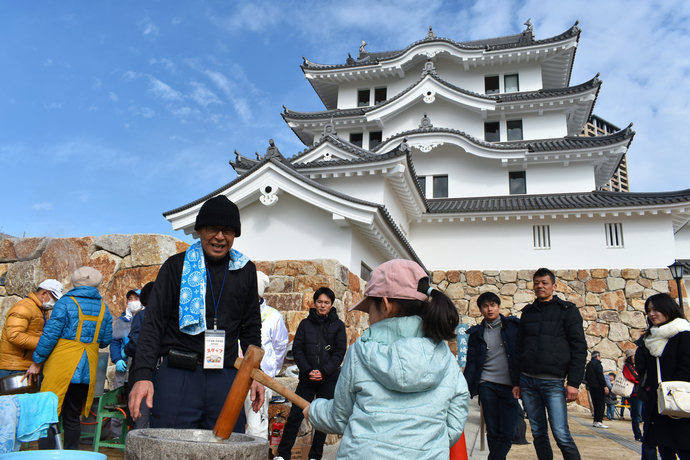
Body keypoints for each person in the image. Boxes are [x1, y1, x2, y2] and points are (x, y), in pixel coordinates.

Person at [303, 259, 469, 460]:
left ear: (385, 304)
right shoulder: (445, 356)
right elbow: (457, 411)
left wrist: (314, 411)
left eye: (369, 308)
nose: (369, 316)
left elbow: (340, 417)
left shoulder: (359, 353)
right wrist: (433, 442)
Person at [128, 195, 264, 431]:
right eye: (212, 228)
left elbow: (251, 327)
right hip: (178, 374)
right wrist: (143, 375)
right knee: (170, 449)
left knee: (225, 450)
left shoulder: (245, 271)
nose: (220, 237)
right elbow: (154, 324)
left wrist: (255, 374)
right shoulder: (176, 266)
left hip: (225, 375)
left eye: (228, 230)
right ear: (200, 230)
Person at [25, 267, 113, 450]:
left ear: (74, 282)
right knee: (73, 416)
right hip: (87, 368)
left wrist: (37, 361)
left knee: (49, 413)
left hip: (61, 365)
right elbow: (105, 341)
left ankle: (47, 455)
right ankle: (71, 454)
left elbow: (50, 335)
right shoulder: (103, 308)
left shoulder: (65, 303)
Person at [512, 267, 586, 460]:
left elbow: (579, 348)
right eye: (536, 283)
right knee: (538, 433)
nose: (540, 286)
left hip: (553, 382)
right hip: (528, 382)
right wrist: (516, 382)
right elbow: (519, 349)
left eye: (544, 283)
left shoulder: (568, 311)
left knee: (561, 433)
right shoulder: (527, 313)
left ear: (554, 286)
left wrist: (574, 383)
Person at [275, 287, 347, 460]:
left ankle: (315, 455)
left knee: (322, 418)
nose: (323, 305)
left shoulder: (338, 326)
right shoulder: (305, 324)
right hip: (307, 378)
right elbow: (297, 350)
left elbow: (339, 353)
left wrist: (323, 372)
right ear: (314, 303)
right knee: (295, 415)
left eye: (326, 303)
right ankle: (282, 455)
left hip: (328, 378)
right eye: (320, 302)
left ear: (331, 304)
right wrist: (308, 371)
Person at [464, 291, 520, 460]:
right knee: (493, 431)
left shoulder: (513, 327)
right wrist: (467, 386)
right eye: (485, 306)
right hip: (487, 384)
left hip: (510, 385)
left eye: (493, 305)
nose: (490, 309)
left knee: (509, 432)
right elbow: (472, 363)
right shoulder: (475, 334)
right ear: (480, 309)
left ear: (499, 306)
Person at [635, 293, 690, 459]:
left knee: (684, 449)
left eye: (656, 309)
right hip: (660, 404)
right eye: (649, 310)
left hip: (680, 400)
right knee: (665, 449)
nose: (652, 314)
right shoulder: (652, 339)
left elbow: (687, 367)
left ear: (669, 309)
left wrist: (672, 390)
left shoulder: (683, 334)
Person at [243, 271, 289, 438]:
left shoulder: (273, 316)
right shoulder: (235, 311)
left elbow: (281, 346)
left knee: (256, 429)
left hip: (260, 378)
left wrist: (270, 372)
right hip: (232, 375)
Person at [0, 279, 63, 378]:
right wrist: (44, 344)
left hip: (26, 365)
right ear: (44, 293)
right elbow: (14, 336)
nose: (55, 302)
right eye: (54, 298)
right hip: (14, 366)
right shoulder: (23, 308)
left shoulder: (40, 309)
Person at [109, 287, 141, 438]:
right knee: (119, 399)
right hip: (123, 365)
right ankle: (116, 434)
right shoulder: (122, 320)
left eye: (136, 298)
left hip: (138, 364)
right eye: (130, 299)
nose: (133, 302)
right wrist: (117, 359)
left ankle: (135, 433)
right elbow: (115, 342)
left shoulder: (145, 317)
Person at [124, 281, 155, 430]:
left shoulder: (143, 315)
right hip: (165, 370)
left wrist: (126, 349)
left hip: (142, 368)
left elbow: (136, 344)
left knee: (141, 413)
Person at [622, 348, 642, 441]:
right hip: (634, 394)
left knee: (642, 415)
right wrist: (642, 381)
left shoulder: (637, 366)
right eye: (633, 356)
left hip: (641, 392)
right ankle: (638, 435)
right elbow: (633, 378)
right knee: (636, 416)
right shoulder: (627, 366)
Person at [585, 350, 610, 428]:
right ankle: (599, 420)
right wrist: (605, 386)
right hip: (598, 386)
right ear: (598, 356)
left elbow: (586, 376)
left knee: (595, 404)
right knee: (600, 404)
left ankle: (596, 421)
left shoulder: (588, 364)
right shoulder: (598, 364)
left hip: (591, 386)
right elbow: (600, 376)